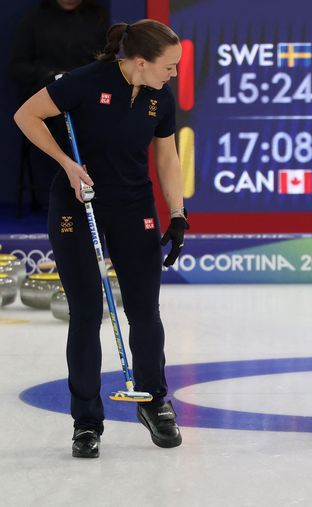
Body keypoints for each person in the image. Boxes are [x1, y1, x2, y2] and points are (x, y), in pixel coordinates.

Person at [13, 19, 188, 457]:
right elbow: (26, 115)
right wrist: (66, 164)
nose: (174, 74)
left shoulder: (158, 97)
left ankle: (154, 401)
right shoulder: (85, 82)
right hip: (78, 203)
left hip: (133, 206)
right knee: (88, 312)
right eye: (169, 66)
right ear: (141, 62)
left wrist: (179, 212)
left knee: (145, 310)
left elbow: (166, 157)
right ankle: (86, 422)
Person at [10, 0, 109, 211]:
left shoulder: (98, 18)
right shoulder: (35, 19)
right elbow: (18, 66)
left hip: (87, 102)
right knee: (56, 128)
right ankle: (64, 197)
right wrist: (47, 77)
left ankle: (90, 196)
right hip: (47, 99)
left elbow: (107, 64)